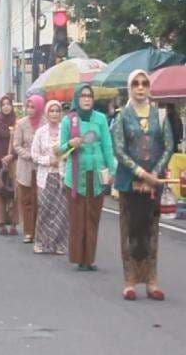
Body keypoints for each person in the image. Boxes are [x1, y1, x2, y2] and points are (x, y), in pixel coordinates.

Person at [113, 70, 174, 301]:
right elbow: (119, 149)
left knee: (150, 233)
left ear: (149, 87)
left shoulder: (160, 115)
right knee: (130, 231)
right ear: (130, 88)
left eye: (144, 83)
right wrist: (139, 173)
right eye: (136, 84)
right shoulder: (122, 116)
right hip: (130, 182)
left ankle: (151, 281)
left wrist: (154, 173)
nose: (140, 87)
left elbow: (168, 146)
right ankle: (129, 282)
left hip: (153, 183)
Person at [60, 83, 116, 272]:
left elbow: (107, 146)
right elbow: (60, 151)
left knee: (92, 218)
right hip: (75, 176)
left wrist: (112, 171)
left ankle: (90, 259)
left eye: (89, 96)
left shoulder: (100, 118)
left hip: (97, 174)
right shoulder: (69, 120)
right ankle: (78, 258)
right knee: (77, 218)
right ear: (77, 98)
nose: (86, 99)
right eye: (83, 96)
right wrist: (70, 144)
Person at [31, 100, 69, 254]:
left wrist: (61, 158)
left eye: (57, 111)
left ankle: (59, 243)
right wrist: (48, 161)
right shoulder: (41, 132)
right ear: (47, 113)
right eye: (51, 111)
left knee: (61, 211)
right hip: (45, 177)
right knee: (45, 209)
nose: (54, 114)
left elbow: (70, 151)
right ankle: (40, 242)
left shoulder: (64, 131)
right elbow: (34, 155)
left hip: (61, 175)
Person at [14, 95, 45, 243]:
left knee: (39, 200)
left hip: (41, 167)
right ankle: (28, 232)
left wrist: (40, 156)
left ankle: (39, 230)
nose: (30, 110)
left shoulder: (45, 123)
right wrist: (29, 155)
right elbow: (16, 145)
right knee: (26, 200)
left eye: (33, 107)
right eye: (29, 107)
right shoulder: (21, 123)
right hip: (25, 166)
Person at [0, 95, 19, 235]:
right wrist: (2, 159)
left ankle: (13, 223)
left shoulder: (17, 122)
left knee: (14, 193)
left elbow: (19, 142)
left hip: (14, 161)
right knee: (1, 192)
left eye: (8, 104)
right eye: (3, 104)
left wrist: (12, 155)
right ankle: (1, 223)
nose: (6, 107)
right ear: (0, 107)